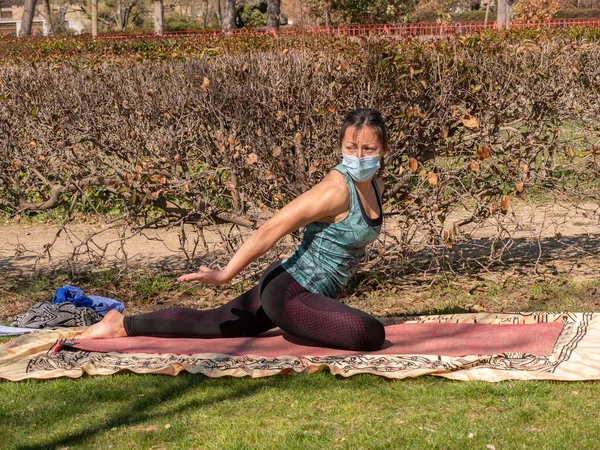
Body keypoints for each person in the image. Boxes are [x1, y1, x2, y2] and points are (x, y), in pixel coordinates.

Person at [82, 108, 388, 351]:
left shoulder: (375, 184)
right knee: (369, 334)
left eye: (368, 148)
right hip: (292, 292)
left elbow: (330, 236)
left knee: (214, 323)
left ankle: (121, 324)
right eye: (351, 147)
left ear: (383, 151)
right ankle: (122, 324)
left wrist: (301, 254)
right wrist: (226, 273)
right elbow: (272, 228)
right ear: (341, 147)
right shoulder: (335, 190)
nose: (359, 156)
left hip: (296, 283)